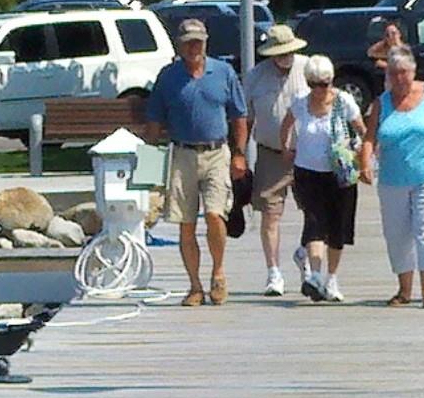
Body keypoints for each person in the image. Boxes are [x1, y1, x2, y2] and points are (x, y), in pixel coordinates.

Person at [145, 19, 248, 307]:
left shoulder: (223, 72)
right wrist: (148, 163)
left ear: (206, 42)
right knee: (185, 224)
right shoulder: (168, 76)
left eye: (198, 41)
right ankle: (194, 286)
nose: (194, 47)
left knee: (216, 214)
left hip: (217, 152)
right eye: (188, 41)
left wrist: (239, 154)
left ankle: (218, 273)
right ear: (180, 44)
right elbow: (154, 120)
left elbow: (239, 115)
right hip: (182, 154)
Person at [359, 47, 424, 309]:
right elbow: (369, 138)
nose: (399, 78)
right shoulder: (380, 103)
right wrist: (365, 163)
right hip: (393, 177)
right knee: (397, 233)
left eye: (404, 72)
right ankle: (404, 289)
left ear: (413, 72)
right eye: (394, 73)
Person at [279, 55, 365, 302]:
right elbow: (286, 126)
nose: (319, 90)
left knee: (338, 228)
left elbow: (362, 130)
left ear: (331, 81)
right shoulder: (300, 103)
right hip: (307, 173)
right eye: (314, 84)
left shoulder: (344, 102)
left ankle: (332, 279)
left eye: (324, 84)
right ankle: (315, 276)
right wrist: (286, 149)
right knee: (315, 222)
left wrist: (361, 152)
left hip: (340, 174)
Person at [244, 25, 311, 297]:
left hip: (308, 153)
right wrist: (238, 154)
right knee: (271, 214)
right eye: (279, 54)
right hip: (271, 152)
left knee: (314, 211)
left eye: (289, 52)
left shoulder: (309, 68)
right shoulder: (255, 77)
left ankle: (306, 257)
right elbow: (246, 119)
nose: (285, 58)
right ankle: (274, 272)